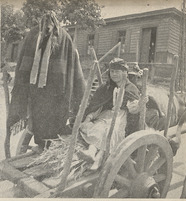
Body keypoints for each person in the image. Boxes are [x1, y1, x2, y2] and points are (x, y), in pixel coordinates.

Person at [7, 11, 86, 151]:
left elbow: (72, 63)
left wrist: (74, 86)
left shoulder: (64, 38)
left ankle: (50, 145)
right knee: (37, 117)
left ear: (55, 23)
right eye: (44, 25)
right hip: (35, 88)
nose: (47, 28)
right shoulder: (32, 35)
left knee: (54, 119)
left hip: (56, 90)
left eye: (50, 24)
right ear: (41, 24)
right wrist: (19, 79)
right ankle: (41, 144)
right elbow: (23, 59)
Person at [78, 58, 143, 169]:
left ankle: (98, 159)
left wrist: (139, 104)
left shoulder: (131, 88)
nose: (114, 74)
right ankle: (91, 152)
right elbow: (98, 105)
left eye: (117, 71)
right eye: (112, 71)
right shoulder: (106, 87)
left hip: (122, 118)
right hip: (106, 116)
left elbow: (134, 109)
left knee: (111, 131)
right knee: (99, 128)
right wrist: (89, 117)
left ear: (125, 73)